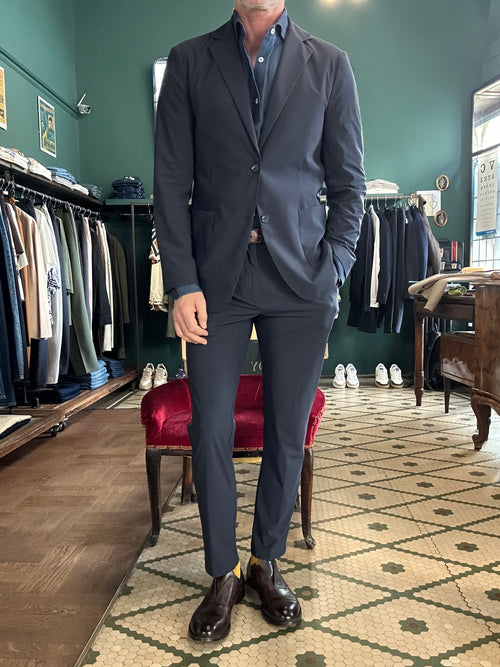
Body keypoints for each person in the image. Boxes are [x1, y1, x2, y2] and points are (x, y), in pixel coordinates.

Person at [154, 0, 365, 643]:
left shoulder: (330, 64)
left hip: (300, 279)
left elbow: (349, 183)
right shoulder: (189, 61)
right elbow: (170, 181)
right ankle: (222, 572)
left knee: (287, 429)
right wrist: (181, 281)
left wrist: (335, 268)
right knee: (210, 426)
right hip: (214, 280)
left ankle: (265, 561)